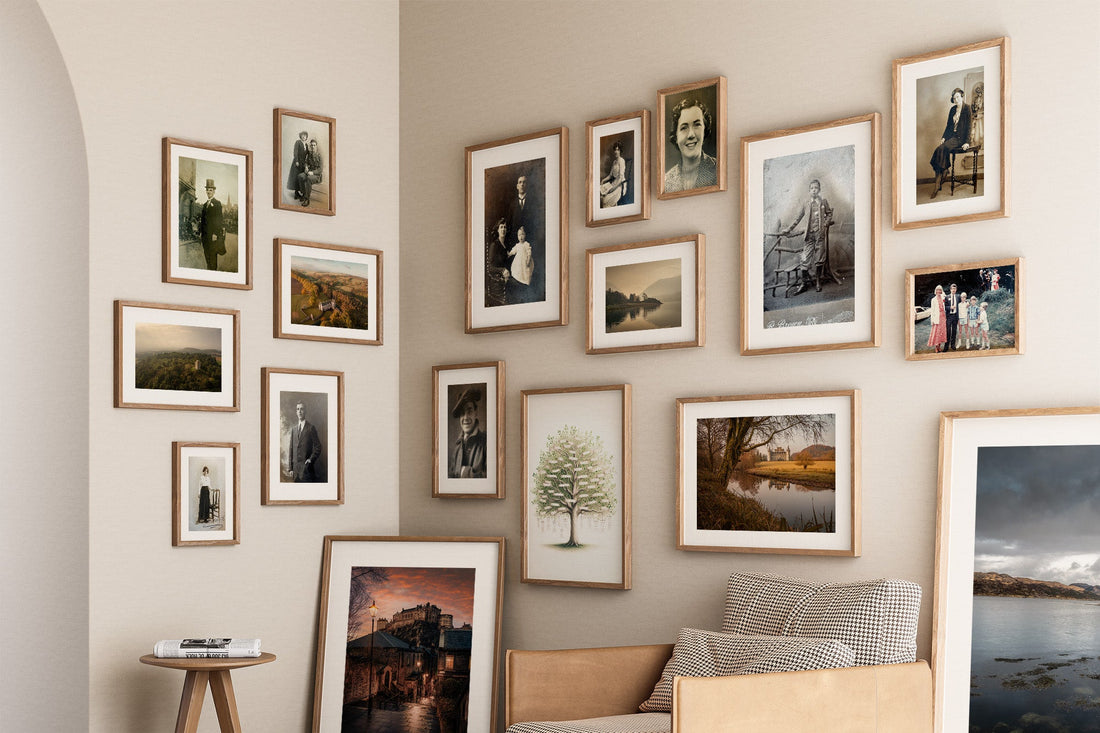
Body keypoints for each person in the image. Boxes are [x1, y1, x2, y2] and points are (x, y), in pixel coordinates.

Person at [779, 179, 834, 295]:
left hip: (820, 235)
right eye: (812, 188)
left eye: (816, 188)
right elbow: (798, 218)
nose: (814, 190)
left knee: (819, 259)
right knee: (805, 259)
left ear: (819, 190)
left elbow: (829, 213)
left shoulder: (823, 202)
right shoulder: (806, 203)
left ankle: (818, 281)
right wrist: (789, 229)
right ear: (809, 190)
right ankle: (804, 284)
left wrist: (825, 223)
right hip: (809, 236)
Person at [663, 97, 718, 193]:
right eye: (684, 128)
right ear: (676, 136)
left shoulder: (719, 170)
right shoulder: (666, 182)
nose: (691, 135)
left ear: (705, 130)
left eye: (697, 125)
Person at [928, 87, 971, 199]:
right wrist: (943, 137)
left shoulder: (967, 109)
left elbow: (969, 127)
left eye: (957, 97)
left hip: (960, 138)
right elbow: (948, 126)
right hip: (951, 137)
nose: (956, 99)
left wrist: (967, 142)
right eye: (954, 98)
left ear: (962, 96)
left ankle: (937, 184)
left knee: (940, 149)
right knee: (940, 148)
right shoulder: (952, 110)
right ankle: (944, 170)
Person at [449, 388, 486, 479]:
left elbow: (492, 478)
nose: (465, 417)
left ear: (476, 413)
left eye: (469, 411)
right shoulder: (457, 447)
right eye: (462, 413)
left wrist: (465, 473)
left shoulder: (486, 442)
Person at [288, 400, 323, 482]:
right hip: (295, 473)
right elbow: (291, 449)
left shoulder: (311, 428)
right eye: (298, 409)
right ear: (296, 412)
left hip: (307, 472)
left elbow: (318, 446)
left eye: (302, 409)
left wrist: (311, 459)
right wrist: (290, 468)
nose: (299, 411)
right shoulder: (293, 430)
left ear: (305, 411)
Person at [198, 179, 226, 271]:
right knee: (207, 257)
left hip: (212, 236)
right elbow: (202, 221)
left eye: (210, 190)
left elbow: (219, 220)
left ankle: (213, 274)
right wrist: (200, 233)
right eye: (207, 190)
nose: (209, 192)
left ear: (214, 191)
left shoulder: (217, 203)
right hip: (205, 236)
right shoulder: (205, 204)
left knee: (212, 257)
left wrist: (215, 233)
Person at [485, 218, 510, 307]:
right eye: (501, 227)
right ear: (498, 230)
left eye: (505, 227)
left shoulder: (506, 246)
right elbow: (489, 268)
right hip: (497, 282)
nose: (503, 229)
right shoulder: (494, 245)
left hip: (505, 280)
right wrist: (502, 270)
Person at [507, 225, 533, 303]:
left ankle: (525, 281)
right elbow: (514, 250)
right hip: (518, 263)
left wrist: (528, 259)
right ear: (517, 236)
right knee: (519, 270)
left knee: (525, 271)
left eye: (522, 234)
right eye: (519, 235)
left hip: (525, 262)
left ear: (525, 235)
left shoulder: (526, 244)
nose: (521, 237)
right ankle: (519, 279)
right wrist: (510, 254)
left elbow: (529, 252)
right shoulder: (517, 245)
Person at [599, 141, 627, 207]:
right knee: (600, 191)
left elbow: (620, 178)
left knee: (605, 200)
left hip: (619, 185)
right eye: (615, 149)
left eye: (618, 150)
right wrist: (603, 180)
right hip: (613, 183)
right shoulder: (614, 162)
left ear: (620, 151)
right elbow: (610, 175)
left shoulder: (621, 161)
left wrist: (612, 188)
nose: (616, 151)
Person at [297, 139, 323, 207]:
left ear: (316, 146)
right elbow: (306, 162)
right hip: (309, 172)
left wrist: (313, 172)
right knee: (300, 176)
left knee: (308, 179)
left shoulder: (319, 156)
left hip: (317, 176)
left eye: (314, 145)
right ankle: (303, 194)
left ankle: (307, 199)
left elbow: (320, 169)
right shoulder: (309, 155)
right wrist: (306, 167)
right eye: (311, 145)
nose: (313, 147)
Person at [287, 130, 309, 200]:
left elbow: (307, 154)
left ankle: (299, 193)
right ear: (300, 136)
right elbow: (295, 152)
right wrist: (296, 161)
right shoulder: (298, 142)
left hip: (302, 164)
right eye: (302, 135)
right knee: (296, 177)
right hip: (297, 163)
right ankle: (296, 193)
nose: (304, 137)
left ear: (306, 137)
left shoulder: (306, 145)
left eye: (305, 135)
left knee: (300, 177)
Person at [927, 284, 947, 352]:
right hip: (937, 318)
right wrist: (932, 320)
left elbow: (945, 296)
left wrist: (943, 293)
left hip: (943, 317)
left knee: (941, 333)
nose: (939, 291)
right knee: (937, 333)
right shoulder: (933, 300)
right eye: (937, 290)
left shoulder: (943, 298)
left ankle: (939, 346)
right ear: (935, 291)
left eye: (940, 290)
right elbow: (932, 310)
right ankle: (936, 347)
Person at [944, 283, 963, 352]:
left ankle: (952, 345)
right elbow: (945, 307)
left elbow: (963, 301)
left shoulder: (958, 296)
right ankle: (946, 346)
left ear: (956, 290)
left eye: (955, 289)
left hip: (955, 316)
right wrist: (950, 307)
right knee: (948, 331)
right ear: (950, 289)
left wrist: (967, 303)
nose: (953, 290)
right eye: (952, 289)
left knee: (954, 331)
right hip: (949, 316)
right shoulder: (946, 297)